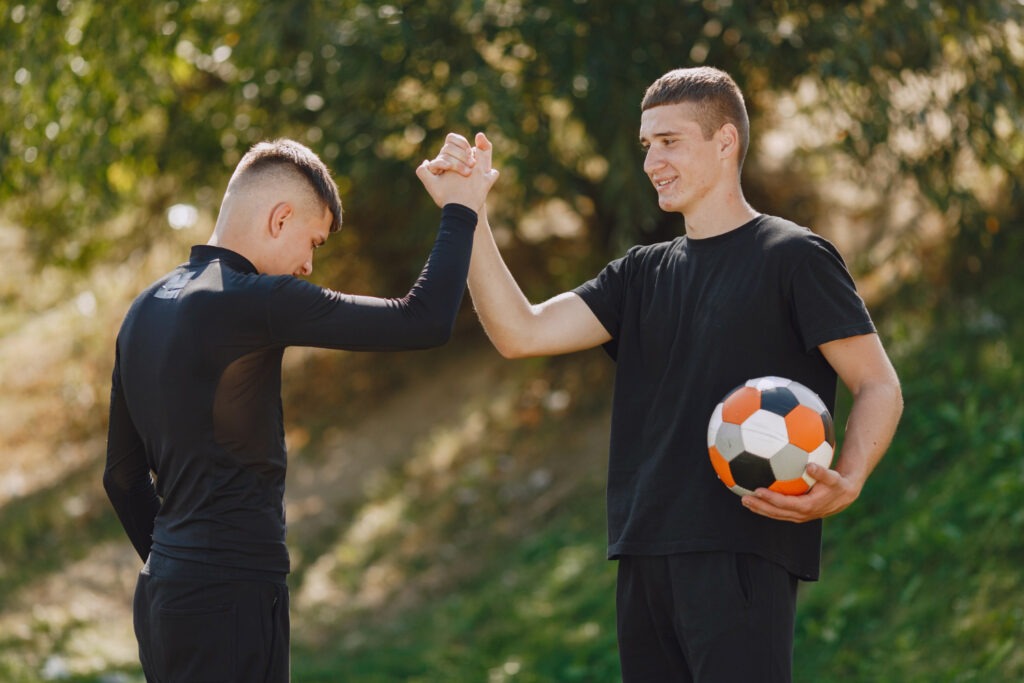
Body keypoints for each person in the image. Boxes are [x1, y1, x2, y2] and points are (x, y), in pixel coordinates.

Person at [429, 67, 903, 682]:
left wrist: (851, 477)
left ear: (725, 141)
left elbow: (878, 384)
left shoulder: (793, 257)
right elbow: (522, 333)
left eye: (670, 142)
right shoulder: (639, 274)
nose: (653, 162)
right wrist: (467, 214)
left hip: (741, 550)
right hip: (643, 553)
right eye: (647, 145)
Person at [103, 137, 498, 681]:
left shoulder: (143, 309)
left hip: (164, 597)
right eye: (312, 242)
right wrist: (461, 207)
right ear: (280, 218)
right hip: (229, 598)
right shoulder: (256, 299)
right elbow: (423, 319)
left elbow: (122, 478)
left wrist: (180, 568)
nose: (309, 265)